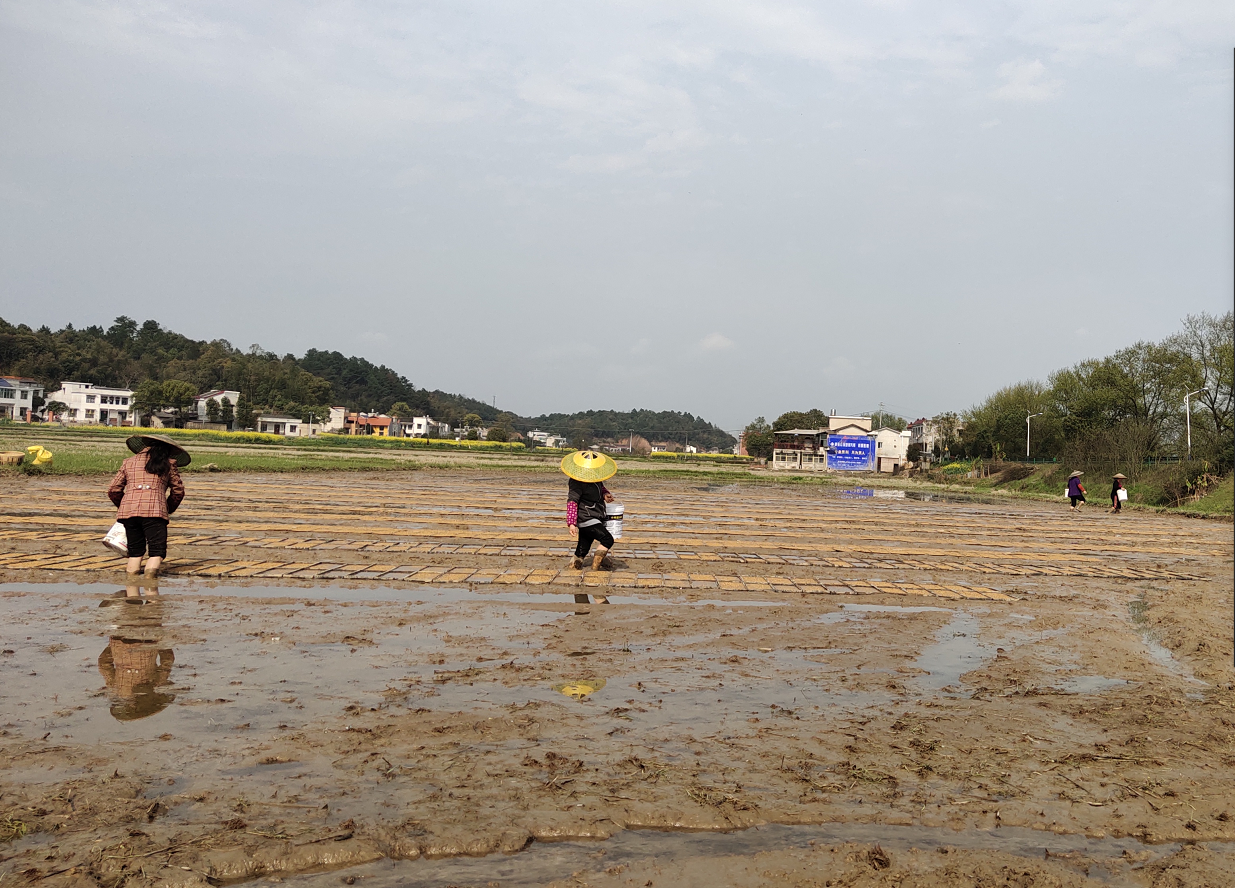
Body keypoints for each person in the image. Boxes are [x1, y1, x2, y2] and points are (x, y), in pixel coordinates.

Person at [108, 434, 189, 578]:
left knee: (135, 552)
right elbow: (178, 491)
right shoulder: (169, 464)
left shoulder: (128, 462)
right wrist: (168, 508)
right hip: (155, 512)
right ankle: (150, 585)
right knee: (157, 552)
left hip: (129, 513)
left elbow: (113, 489)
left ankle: (132, 586)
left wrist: (124, 506)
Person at [562, 450, 619, 605]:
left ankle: (574, 571)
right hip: (587, 518)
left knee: (582, 550)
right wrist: (572, 523)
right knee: (607, 539)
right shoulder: (576, 482)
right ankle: (595, 568)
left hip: (595, 516)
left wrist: (606, 495)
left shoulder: (595, 478)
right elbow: (572, 502)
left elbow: (601, 488)